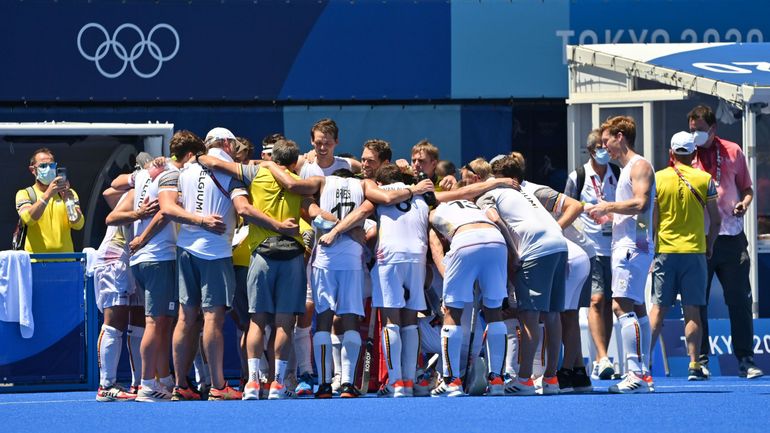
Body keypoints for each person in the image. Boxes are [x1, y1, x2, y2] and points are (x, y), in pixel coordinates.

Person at [199, 139, 305, 400]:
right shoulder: (304, 182)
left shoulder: (254, 172)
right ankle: (278, 384)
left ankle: (253, 383)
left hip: (261, 256)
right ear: (293, 162)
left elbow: (209, 161)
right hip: (291, 256)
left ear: (271, 158)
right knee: (284, 324)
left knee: (256, 322)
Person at [158, 127, 241, 401]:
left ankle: (181, 385)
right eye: (234, 145)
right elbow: (244, 207)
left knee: (185, 318)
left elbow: (172, 207)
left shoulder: (186, 172)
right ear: (227, 144)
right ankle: (218, 386)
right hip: (215, 253)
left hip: (186, 250)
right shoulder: (230, 170)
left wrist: (197, 219)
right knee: (213, 320)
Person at [480, 155, 569, 396]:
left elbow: (496, 220)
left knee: (529, 317)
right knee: (552, 315)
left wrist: (512, 250)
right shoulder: (525, 192)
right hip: (559, 245)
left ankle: (524, 380)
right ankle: (551, 379)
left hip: (534, 250)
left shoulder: (490, 193)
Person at [689, 105, 764, 379]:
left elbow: (747, 189)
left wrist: (744, 204)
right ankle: (701, 360)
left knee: (740, 300)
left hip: (731, 237)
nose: (694, 134)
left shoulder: (733, 150)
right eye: (692, 129)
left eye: (699, 130)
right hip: (699, 238)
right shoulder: (685, 154)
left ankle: (745, 359)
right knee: (698, 301)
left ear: (713, 129)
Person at [129, 131, 205, 402]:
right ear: (190, 156)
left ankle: (160, 379)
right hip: (157, 257)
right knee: (155, 323)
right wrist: (141, 239)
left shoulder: (147, 174)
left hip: (148, 259)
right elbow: (164, 212)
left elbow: (116, 191)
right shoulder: (172, 174)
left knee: (161, 323)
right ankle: (147, 384)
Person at [587, 115, 656, 394]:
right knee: (637, 307)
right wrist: (611, 215)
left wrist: (608, 206)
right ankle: (644, 371)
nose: (604, 149)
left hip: (631, 247)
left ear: (620, 136)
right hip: (632, 243)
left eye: (606, 142)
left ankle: (635, 373)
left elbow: (641, 203)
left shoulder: (638, 165)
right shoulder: (628, 168)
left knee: (620, 306)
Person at [649, 131, 721, 381]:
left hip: (666, 252)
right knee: (692, 312)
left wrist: (653, 249)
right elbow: (716, 220)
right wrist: (709, 244)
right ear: (694, 154)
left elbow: (653, 221)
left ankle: (644, 363)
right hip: (694, 252)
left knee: (658, 310)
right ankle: (694, 365)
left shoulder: (658, 179)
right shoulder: (705, 179)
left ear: (671, 153)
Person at [428, 199, 509, 397]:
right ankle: (497, 381)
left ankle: (451, 381)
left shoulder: (434, 212)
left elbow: (435, 244)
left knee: (452, 310)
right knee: (494, 311)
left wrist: (451, 277)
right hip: (497, 240)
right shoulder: (474, 206)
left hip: (465, 238)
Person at [93, 179, 159, 402]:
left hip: (135, 260)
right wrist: (138, 212)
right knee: (115, 321)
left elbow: (108, 192)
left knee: (139, 321)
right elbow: (110, 213)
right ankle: (106, 385)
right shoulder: (135, 191)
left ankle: (139, 383)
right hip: (114, 260)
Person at [564, 129, 619, 380]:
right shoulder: (579, 176)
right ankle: (601, 357)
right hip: (590, 247)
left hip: (616, 246)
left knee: (609, 303)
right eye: (599, 146)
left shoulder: (617, 173)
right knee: (595, 300)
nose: (604, 150)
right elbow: (565, 209)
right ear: (589, 150)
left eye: (606, 146)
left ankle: (602, 356)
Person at [15, 148, 84, 253]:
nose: (48, 169)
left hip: (66, 261)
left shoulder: (69, 193)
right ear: (33, 170)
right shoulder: (25, 194)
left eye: (51, 165)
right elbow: (28, 219)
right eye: (43, 166)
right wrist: (48, 194)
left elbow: (78, 224)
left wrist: (68, 202)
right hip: (36, 262)